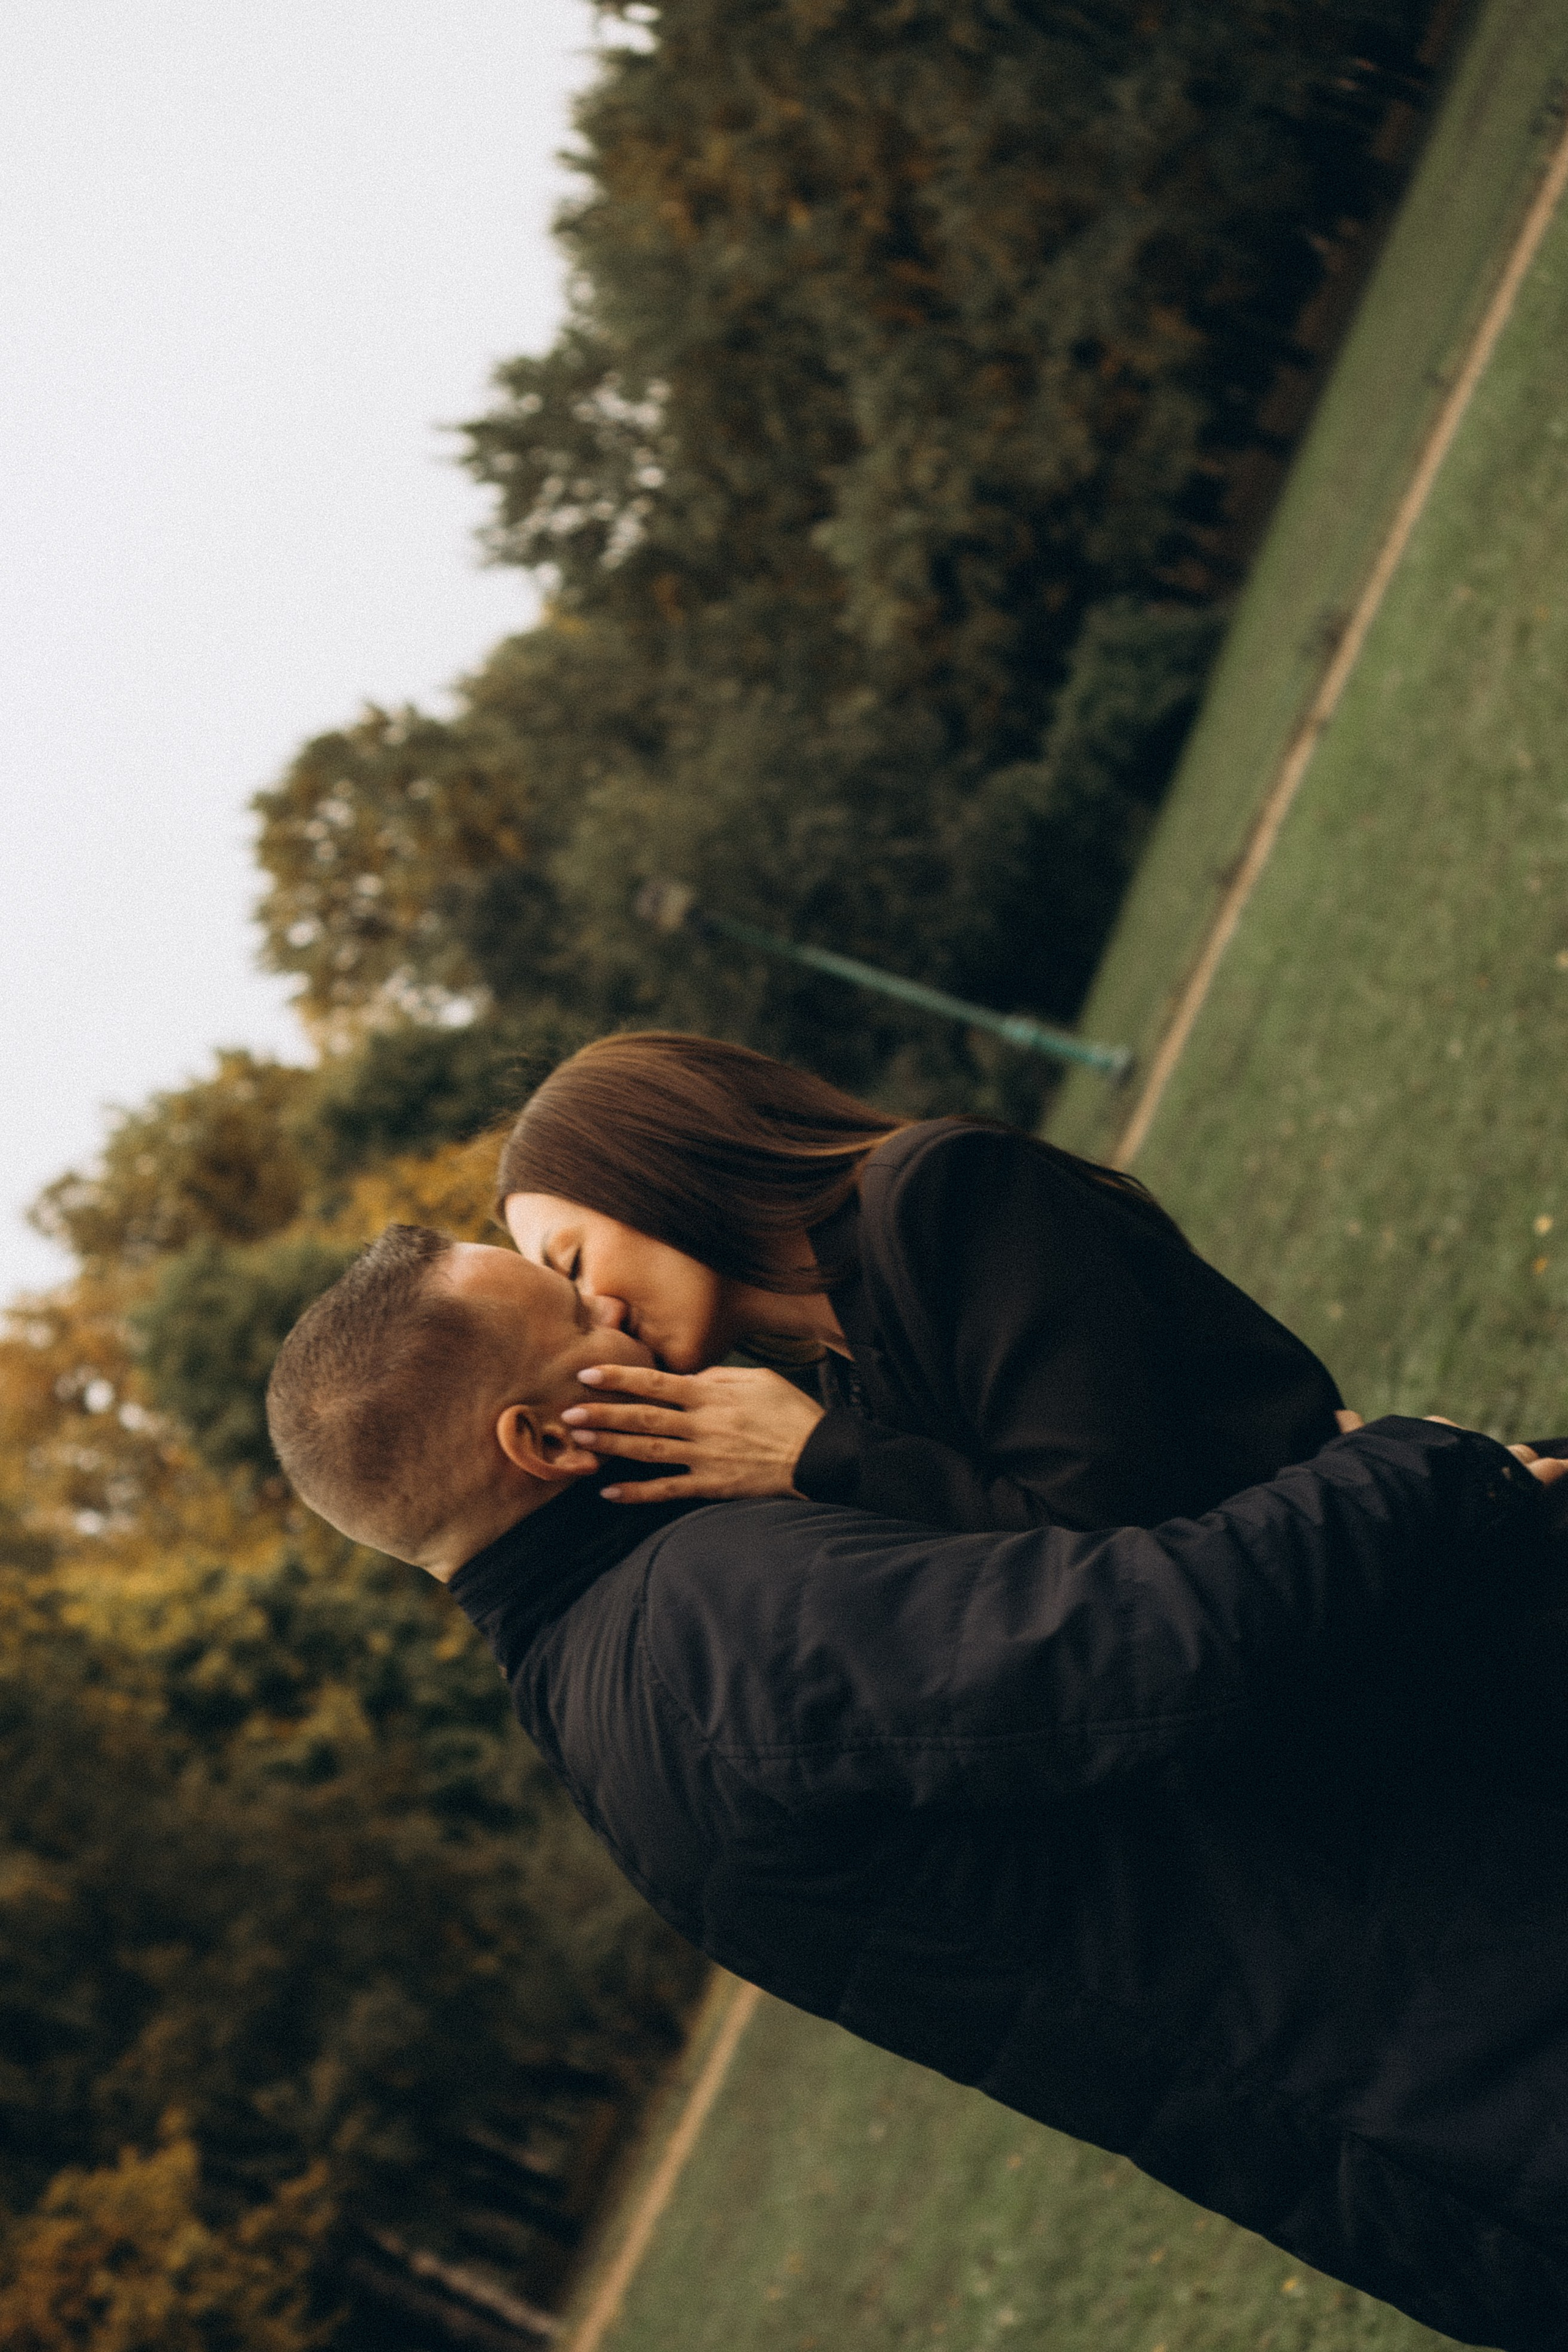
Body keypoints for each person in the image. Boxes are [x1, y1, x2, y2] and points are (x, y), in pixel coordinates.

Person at [267, 1224, 1568, 2352]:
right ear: (545, 1438)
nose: (608, 1304)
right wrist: (1411, 1467)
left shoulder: (597, 1703)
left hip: (1423, 2139)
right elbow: (1150, 1646)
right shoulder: (707, 1620)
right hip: (1488, 2062)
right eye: (572, 1315)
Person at [494, 1033, 1349, 1531]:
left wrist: (823, 1460)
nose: (600, 1317)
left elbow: (1124, 1540)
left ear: (652, 1164)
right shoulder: (843, 1375)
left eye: (574, 1267)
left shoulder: (943, 1194)